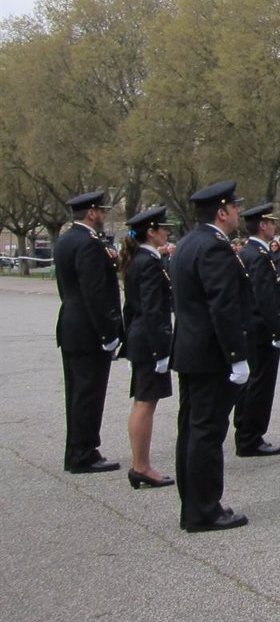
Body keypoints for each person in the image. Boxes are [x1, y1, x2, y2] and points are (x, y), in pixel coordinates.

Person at [170, 180, 251, 532]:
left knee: (191, 429)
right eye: (234, 207)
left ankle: (193, 502)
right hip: (210, 353)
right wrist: (236, 356)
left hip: (190, 348)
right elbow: (223, 306)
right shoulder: (214, 248)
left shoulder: (188, 243)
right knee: (206, 432)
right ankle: (204, 509)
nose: (236, 212)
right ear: (221, 211)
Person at [54, 189, 125, 475]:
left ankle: (77, 450)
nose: (104, 216)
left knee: (77, 393)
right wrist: (108, 333)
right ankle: (84, 453)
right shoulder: (87, 243)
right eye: (102, 211)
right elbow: (95, 293)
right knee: (88, 394)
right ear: (92, 213)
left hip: (71, 323)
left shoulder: (66, 239)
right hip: (88, 330)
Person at [120, 205, 175, 489]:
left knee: (142, 402)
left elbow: (130, 308)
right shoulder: (149, 262)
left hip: (139, 337)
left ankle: (139, 463)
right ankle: (141, 465)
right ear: (151, 232)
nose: (167, 232)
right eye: (163, 228)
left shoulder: (137, 259)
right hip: (149, 338)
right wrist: (161, 350)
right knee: (145, 403)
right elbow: (154, 311)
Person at [233, 203, 280, 456]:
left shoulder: (247, 252)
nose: (274, 227)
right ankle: (251, 436)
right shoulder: (258, 255)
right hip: (261, 329)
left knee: (251, 383)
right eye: (272, 223)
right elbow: (265, 297)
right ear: (263, 225)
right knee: (260, 384)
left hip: (249, 326)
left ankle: (245, 432)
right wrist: (278, 331)